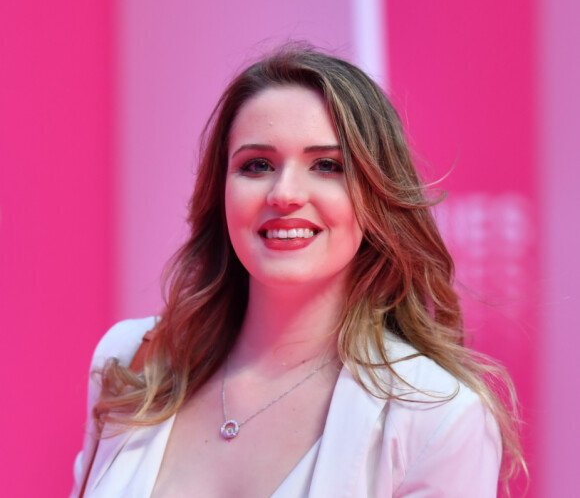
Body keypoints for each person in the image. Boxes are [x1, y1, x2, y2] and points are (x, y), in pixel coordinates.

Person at [71, 45, 523, 498]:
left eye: (327, 166)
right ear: (221, 191)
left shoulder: (436, 416)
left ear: (376, 194)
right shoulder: (133, 361)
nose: (284, 193)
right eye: (257, 165)